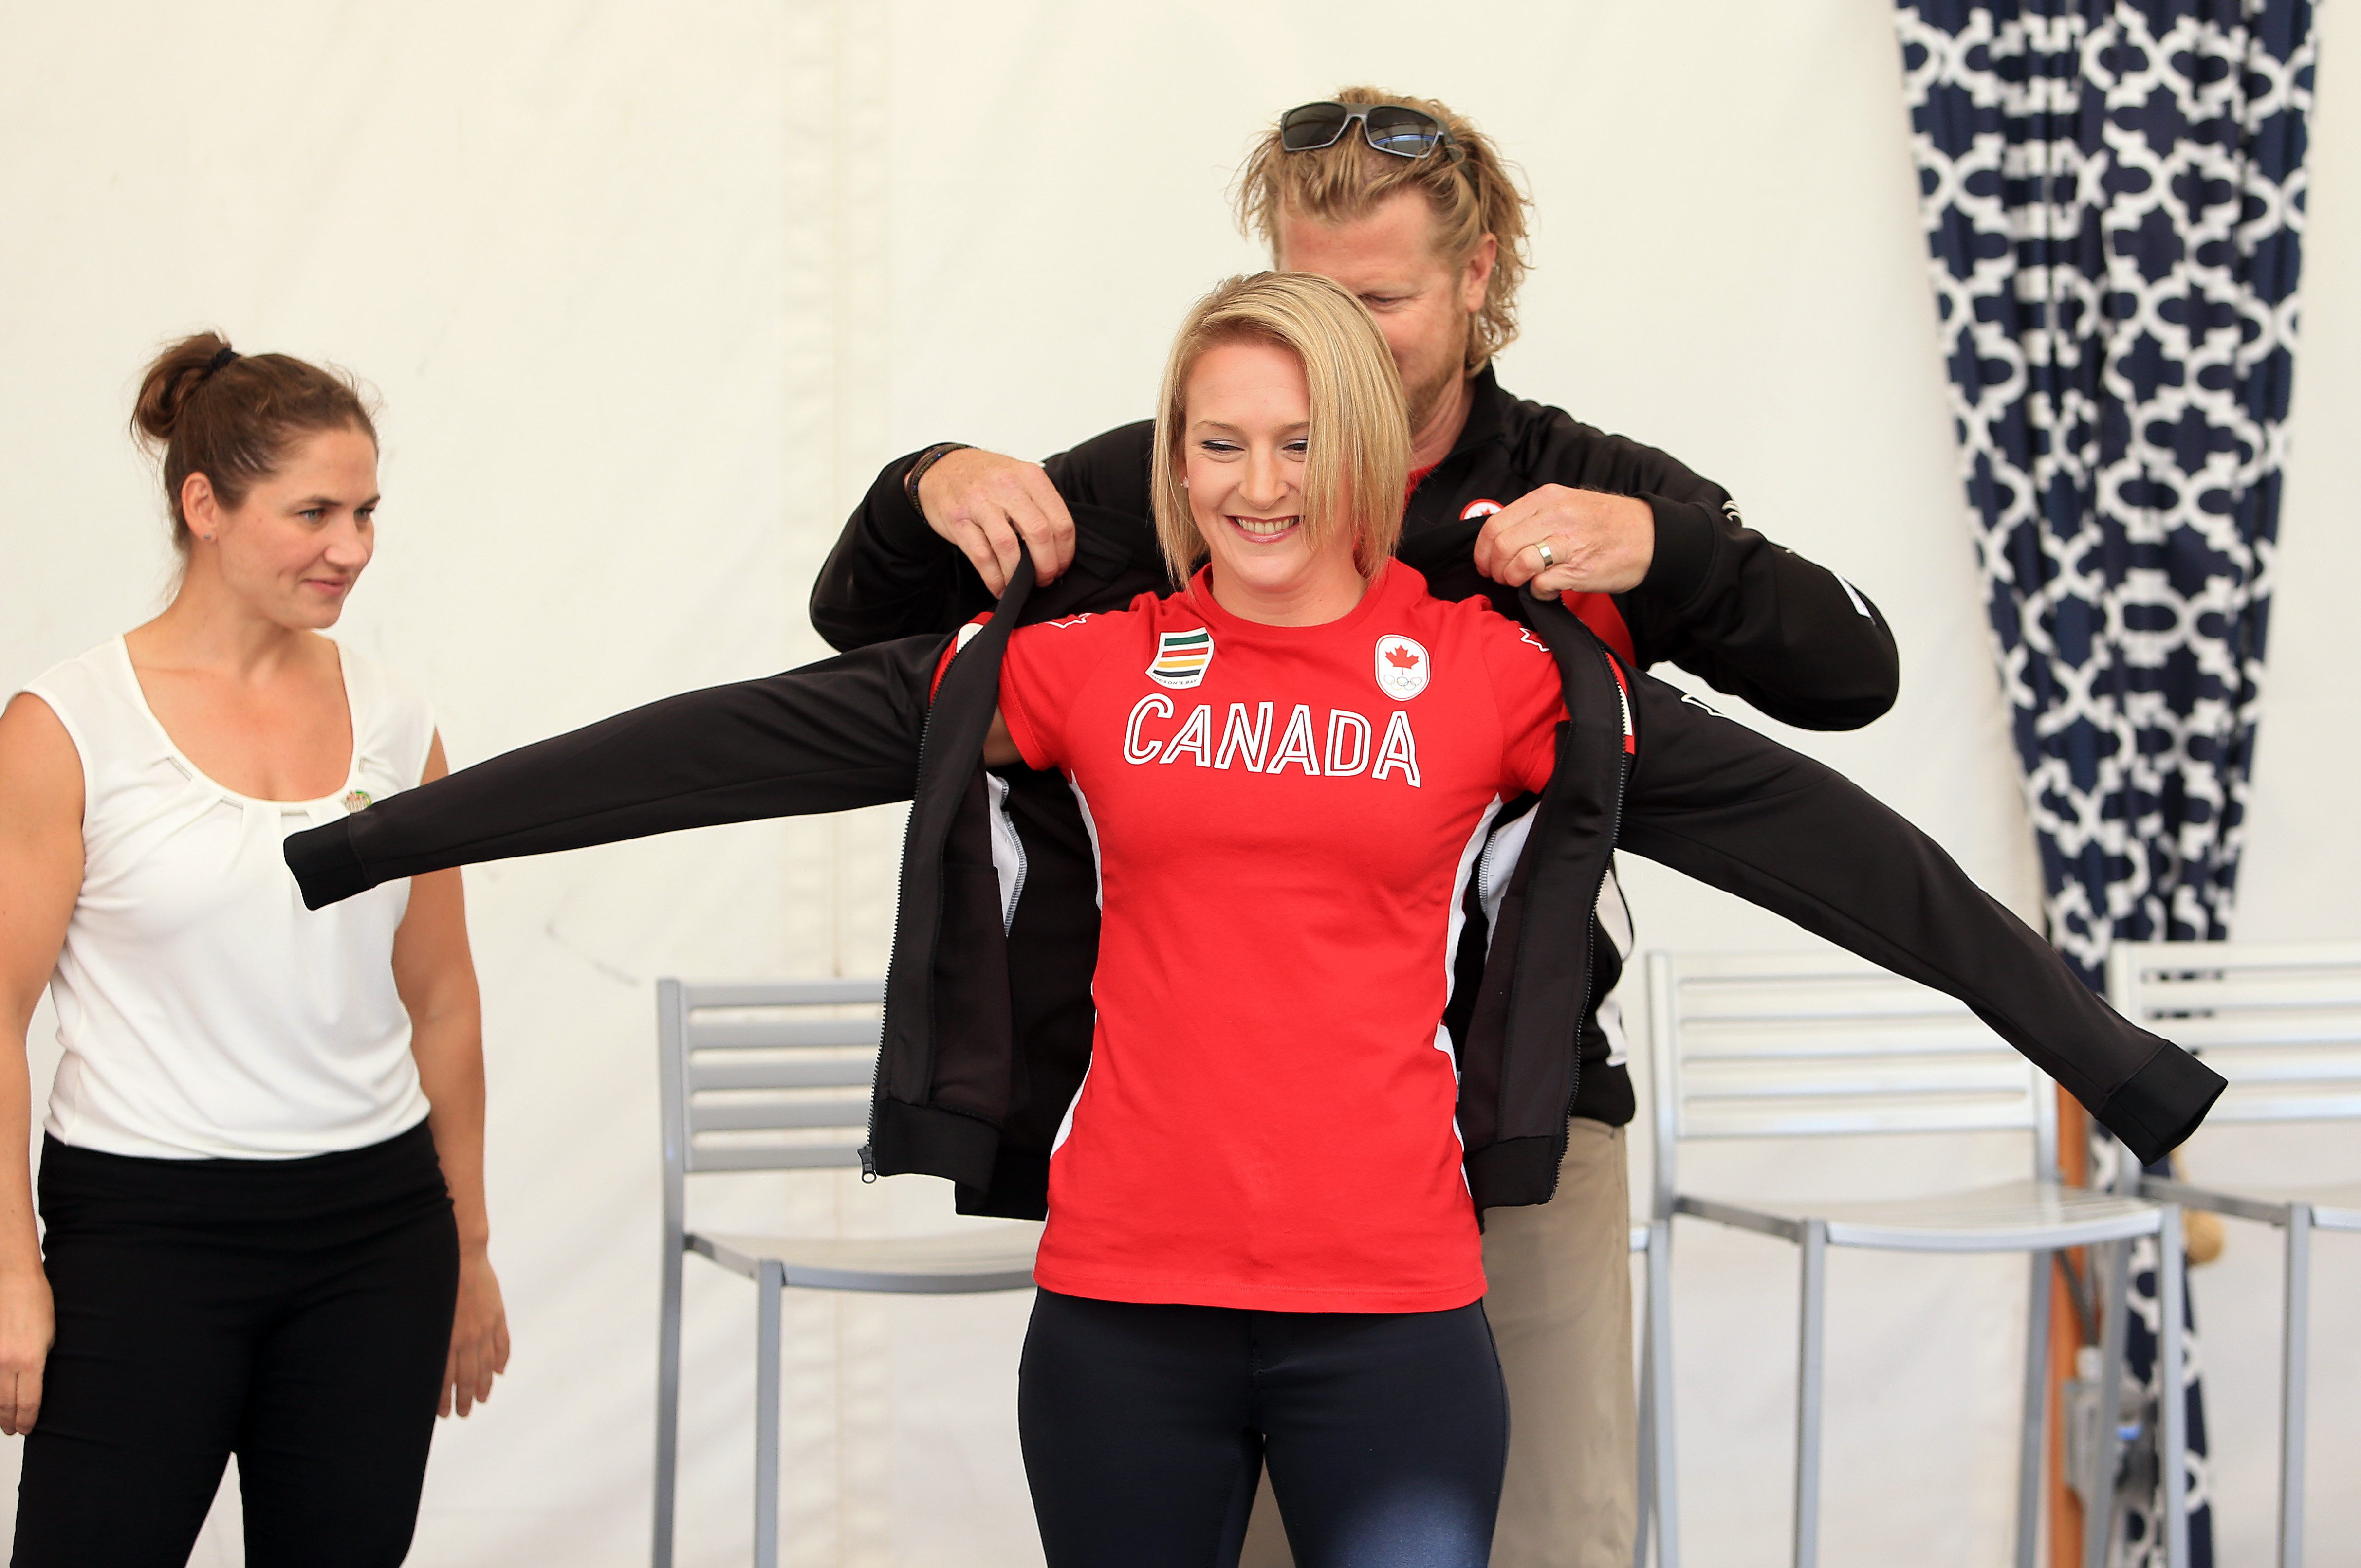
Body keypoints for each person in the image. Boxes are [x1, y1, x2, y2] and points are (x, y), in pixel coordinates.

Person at [283, 274, 2219, 1568]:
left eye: (1300, 441)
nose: (1261, 482)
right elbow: (740, 741)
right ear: (1170, 460)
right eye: (1220, 443)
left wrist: (2119, 1069)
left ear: (1370, 446)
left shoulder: (1499, 675)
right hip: (1126, 1314)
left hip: (1395, 1322)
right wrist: (380, 842)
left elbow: (1840, 851)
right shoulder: (1079, 664)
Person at [808, 89, 1900, 1568]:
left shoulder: (1580, 484)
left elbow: (1854, 674)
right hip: (1229, 1161)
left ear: (1479, 274)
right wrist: (924, 484)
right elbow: (863, 636)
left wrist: (1673, 553)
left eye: (1380, 299)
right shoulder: (1196, 471)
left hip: (1518, 1122)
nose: (1342, 339)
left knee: (1549, 1546)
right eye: (1310, 291)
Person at [0, 334, 510, 1567]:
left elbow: (440, 1002)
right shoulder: (70, 726)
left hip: (377, 1237)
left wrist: (472, 1251)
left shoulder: (396, 719)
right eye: (315, 512)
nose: (353, 547)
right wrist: (15, 1273)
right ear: (204, 506)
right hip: (142, 1239)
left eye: (368, 512)